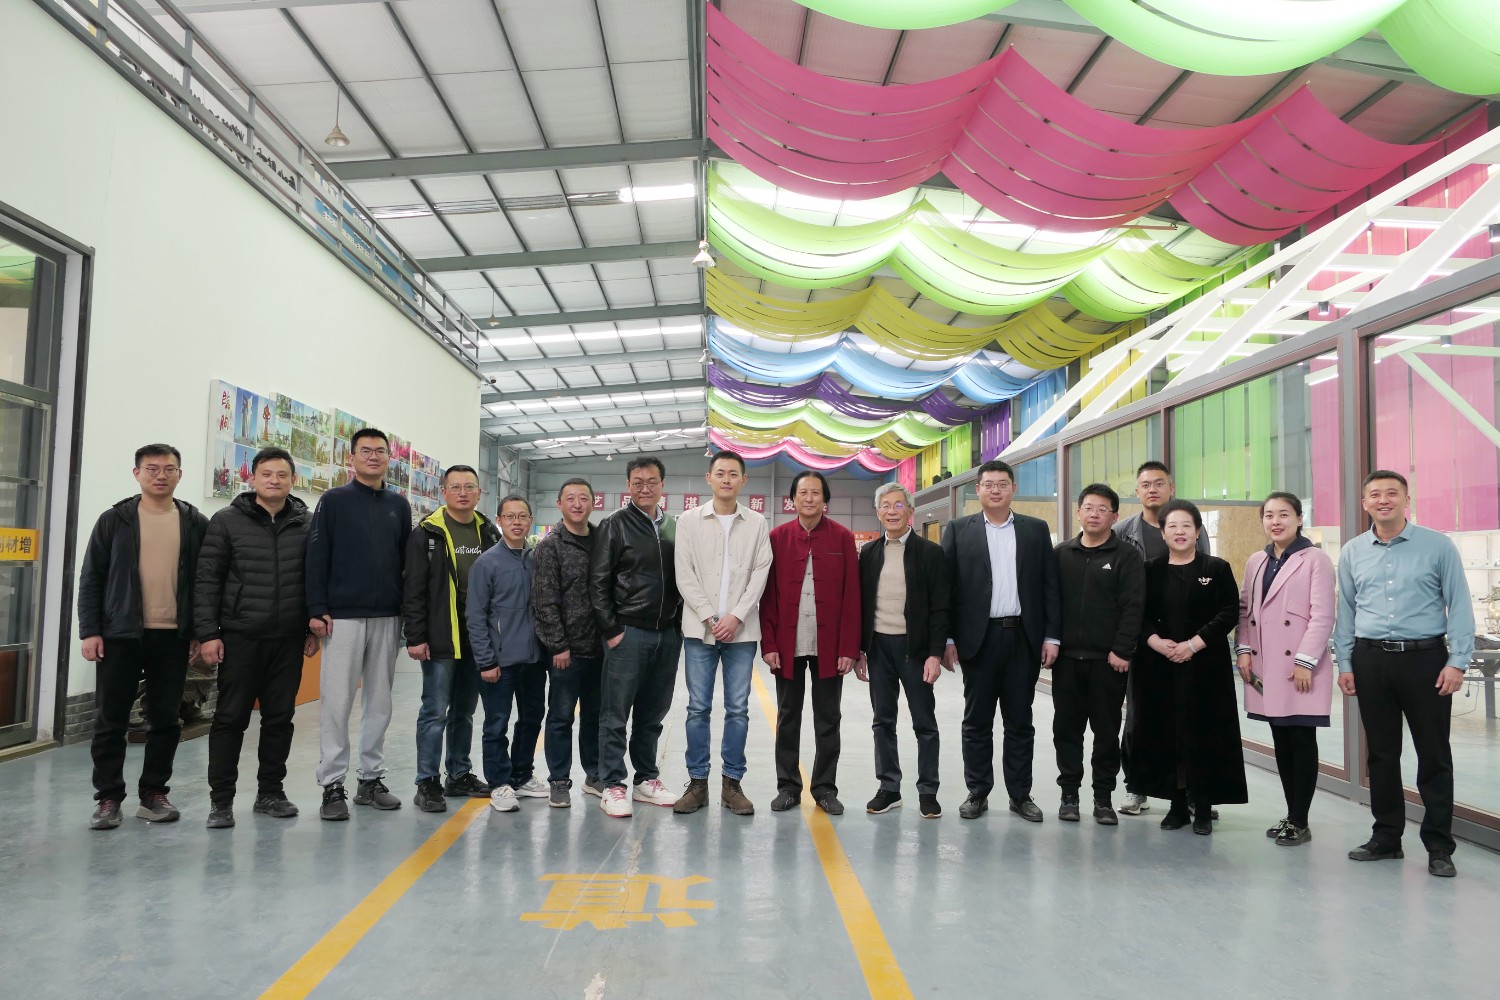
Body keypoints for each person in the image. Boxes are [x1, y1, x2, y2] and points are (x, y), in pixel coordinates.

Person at [1334, 470, 1472, 878]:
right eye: (1375, 494)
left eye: (1392, 493)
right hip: (1371, 660)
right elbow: (1347, 611)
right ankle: (1387, 837)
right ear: (1365, 503)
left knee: (1434, 754)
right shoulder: (1353, 551)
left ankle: (1439, 845)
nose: (1384, 500)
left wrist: (1457, 661)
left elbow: (1459, 604)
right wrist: (1345, 663)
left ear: (1406, 499)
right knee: (1381, 753)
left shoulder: (1438, 546)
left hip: (1426, 660)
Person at [78, 444, 207, 829]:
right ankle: (108, 798)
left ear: (180, 474)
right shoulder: (114, 520)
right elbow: (91, 578)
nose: (160, 475)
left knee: (166, 719)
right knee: (111, 719)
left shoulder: (194, 522)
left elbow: (205, 582)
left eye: (169, 469)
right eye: (152, 468)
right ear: (137, 473)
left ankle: (154, 793)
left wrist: (201, 632)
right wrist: (90, 631)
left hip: (172, 637)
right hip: (119, 634)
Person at [194, 447, 316, 828]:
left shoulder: (307, 524)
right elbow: (207, 580)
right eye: (267, 474)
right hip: (240, 637)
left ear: (293, 480)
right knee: (230, 719)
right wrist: (208, 634)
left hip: (288, 639)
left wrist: (311, 627)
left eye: (282, 475)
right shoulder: (226, 521)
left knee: (280, 718)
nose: (274, 481)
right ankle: (221, 801)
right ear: (252, 478)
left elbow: (315, 579)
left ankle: (270, 793)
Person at [941, 459, 1060, 823]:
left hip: (1023, 638)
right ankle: (977, 793)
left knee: (1020, 721)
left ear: (1013, 489)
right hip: (978, 640)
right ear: (978, 489)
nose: (995, 490)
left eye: (1002, 484)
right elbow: (946, 589)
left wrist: (1051, 636)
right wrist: (947, 637)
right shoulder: (958, 530)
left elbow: (1049, 586)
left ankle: (1020, 795)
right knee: (977, 721)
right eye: (989, 484)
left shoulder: (1035, 530)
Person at [305, 427, 412, 821]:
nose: (373, 456)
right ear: (351, 458)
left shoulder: (399, 505)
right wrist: (316, 608)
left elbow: (406, 561)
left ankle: (370, 779)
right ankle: (332, 784)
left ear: (388, 458)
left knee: (380, 702)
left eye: (380, 451)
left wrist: (406, 611)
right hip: (342, 617)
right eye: (365, 451)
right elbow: (316, 556)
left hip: (387, 616)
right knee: (337, 702)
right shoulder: (333, 501)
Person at [1125, 499, 1247, 835]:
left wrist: (1193, 644)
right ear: (1163, 533)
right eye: (1173, 526)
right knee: (1165, 733)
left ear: (1197, 532)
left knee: (1205, 734)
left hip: (1205, 666)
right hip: (1158, 666)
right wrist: (1155, 642)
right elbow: (1136, 612)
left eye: (1187, 526)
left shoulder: (1217, 568)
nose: (1180, 532)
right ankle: (1176, 806)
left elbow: (1229, 612)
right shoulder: (1149, 569)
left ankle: (1203, 807)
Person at [671, 450, 772, 816]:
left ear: (743, 480)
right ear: (709, 478)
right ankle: (697, 784)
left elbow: (761, 572)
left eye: (733, 474)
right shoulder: (689, 521)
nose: (726, 479)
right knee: (697, 708)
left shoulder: (757, 522)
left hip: (741, 633)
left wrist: (736, 616)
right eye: (720, 473)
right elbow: (684, 574)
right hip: (699, 630)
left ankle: (732, 784)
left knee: (738, 709)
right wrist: (711, 616)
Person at [1236, 491, 1336, 848]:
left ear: (1299, 519)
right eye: (1269, 515)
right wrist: (1243, 650)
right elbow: (1245, 611)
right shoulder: (1256, 561)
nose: (1275, 522)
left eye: (1283, 514)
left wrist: (1305, 661)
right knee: (1281, 739)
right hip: (1266, 665)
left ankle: (1300, 819)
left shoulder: (1316, 559)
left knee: (1301, 739)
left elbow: (1323, 615)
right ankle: (1292, 814)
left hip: (1300, 667)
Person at [760, 471, 861, 815]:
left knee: (828, 718)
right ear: (792, 499)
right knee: (787, 716)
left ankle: (825, 788)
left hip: (829, 645)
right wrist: (770, 643)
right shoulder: (777, 537)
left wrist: (849, 648)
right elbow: (768, 597)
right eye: (803, 493)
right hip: (787, 643)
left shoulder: (842, 537)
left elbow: (852, 596)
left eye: (815, 493)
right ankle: (788, 787)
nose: (809, 498)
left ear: (825, 500)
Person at [588, 457, 683, 818]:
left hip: (667, 635)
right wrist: (612, 630)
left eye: (652, 482)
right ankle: (613, 784)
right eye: (638, 482)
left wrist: (677, 627)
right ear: (628, 485)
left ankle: (646, 779)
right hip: (627, 633)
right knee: (615, 714)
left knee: (653, 713)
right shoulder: (614, 525)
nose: (645, 488)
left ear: (662, 485)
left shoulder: (674, 527)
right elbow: (598, 582)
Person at [402, 465, 499, 813]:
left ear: (479, 493)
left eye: (469, 487)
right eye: (455, 487)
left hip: (477, 638)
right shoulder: (428, 532)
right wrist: (415, 636)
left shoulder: (488, 531)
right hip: (441, 636)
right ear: (443, 492)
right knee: (434, 711)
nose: (463, 493)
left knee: (464, 711)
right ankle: (426, 782)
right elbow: (413, 588)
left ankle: (458, 774)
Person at [1114, 460, 1208, 816]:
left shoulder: (1191, 526)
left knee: (1189, 717)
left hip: (1187, 642)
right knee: (1139, 718)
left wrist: (1196, 640)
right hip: (1142, 639)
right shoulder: (1124, 531)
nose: (1152, 489)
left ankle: (1192, 791)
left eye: (1159, 483)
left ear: (1171, 488)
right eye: (1145, 484)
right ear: (1137, 491)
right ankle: (1136, 787)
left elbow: (1205, 577)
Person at [1050, 484, 1144, 825]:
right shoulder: (1061, 554)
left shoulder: (1126, 556)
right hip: (1066, 661)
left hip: (1109, 662)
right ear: (1078, 512)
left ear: (1114, 516)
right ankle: (1069, 795)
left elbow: (1133, 606)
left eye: (1102, 509)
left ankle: (1103, 798)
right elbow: (1050, 603)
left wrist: (1122, 649)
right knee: (1067, 731)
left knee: (1106, 733)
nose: (1094, 514)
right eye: (1088, 507)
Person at [855, 483, 949, 819]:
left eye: (898, 505)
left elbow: (941, 608)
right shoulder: (869, 553)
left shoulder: (930, 553)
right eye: (885, 505)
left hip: (916, 650)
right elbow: (861, 605)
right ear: (877, 512)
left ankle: (928, 790)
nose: (892, 511)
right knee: (883, 721)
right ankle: (889, 788)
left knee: (924, 722)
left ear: (911, 511)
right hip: (879, 647)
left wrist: (935, 653)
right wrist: (860, 650)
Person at [466, 495, 548, 812]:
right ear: (499, 521)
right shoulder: (487, 563)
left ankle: (521, 774)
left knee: (531, 719)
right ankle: (499, 783)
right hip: (499, 662)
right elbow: (475, 616)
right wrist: (486, 660)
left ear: (530, 521)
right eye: (510, 516)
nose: (516, 522)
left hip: (534, 660)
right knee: (496, 724)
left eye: (522, 516)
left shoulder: (537, 560)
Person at [532, 478, 605, 807]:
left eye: (583, 498)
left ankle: (594, 775)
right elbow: (544, 600)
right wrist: (558, 646)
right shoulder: (550, 546)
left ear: (593, 503)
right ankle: (559, 780)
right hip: (567, 652)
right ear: (559, 504)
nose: (577, 504)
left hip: (601, 649)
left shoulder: (603, 541)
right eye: (570, 498)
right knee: (561, 717)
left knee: (595, 716)